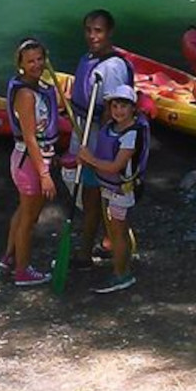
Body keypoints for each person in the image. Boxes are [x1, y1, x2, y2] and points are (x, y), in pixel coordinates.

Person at [64, 9, 134, 269]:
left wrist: (98, 152)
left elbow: (114, 112)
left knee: (97, 197)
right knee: (93, 197)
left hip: (101, 141)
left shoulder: (112, 68)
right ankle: (99, 246)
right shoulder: (88, 58)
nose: (92, 36)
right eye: (89, 30)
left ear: (109, 33)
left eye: (98, 31)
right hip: (85, 130)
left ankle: (94, 253)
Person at [76, 85, 149, 293]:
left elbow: (115, 166)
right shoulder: (111, 127)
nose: (118, 111)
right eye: (115, 106)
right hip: (108, 187)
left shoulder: (131, 135)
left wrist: (90, 159)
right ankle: (120, 267)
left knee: (118, 231)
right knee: (115, 229)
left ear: (133, 108)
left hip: (122, 190)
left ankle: (122, 274)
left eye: (123, 106)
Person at [0, 38, 60, 286]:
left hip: (29, 159)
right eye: (30, 61)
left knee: (23, 211)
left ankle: (9, 258)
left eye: (39, 59)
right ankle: (23, 271)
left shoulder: (36, 86)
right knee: (29, 219)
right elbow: (31, 138)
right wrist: (44, 173)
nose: (36, 65)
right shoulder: (25, 95)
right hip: (29, 162)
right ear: (20, 65)